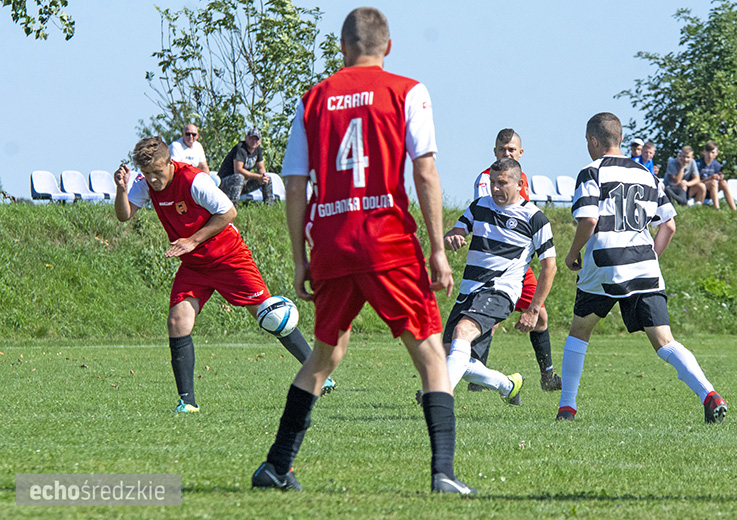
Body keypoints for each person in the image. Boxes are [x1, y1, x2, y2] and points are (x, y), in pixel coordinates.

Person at [251, 7, 474, 495]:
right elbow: (425, 172)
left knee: (325, 355)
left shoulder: (313, 100)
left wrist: (300, 257)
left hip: (332, 241)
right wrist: (438, 248)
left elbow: (292, 184)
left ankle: (275, 465)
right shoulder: (408, 91)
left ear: (342, 47)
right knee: (432, 356)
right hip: (387, 241)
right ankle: (443, 473)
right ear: (387, 46)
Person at [113, 137, 334, 413]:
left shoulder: (194, 181)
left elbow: (229, 211)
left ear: (170, 162)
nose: (153, 180)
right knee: (177, 321)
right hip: (195, 266)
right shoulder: (145, 183)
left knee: (271, 317)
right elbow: (124, 215)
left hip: (229, 257)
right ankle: (187, 403)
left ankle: (320, 374)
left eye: (158, 173)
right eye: (147, 174)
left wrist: (192, 240)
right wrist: (122, 190)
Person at [556, 112, 727, 424]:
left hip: (605, 265)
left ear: (594, 141)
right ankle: (709, 394)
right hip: (645, 266)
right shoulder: (648, 174)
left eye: (587, 142)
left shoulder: (591, 171)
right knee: (664, 341)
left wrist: (572, 253)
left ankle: (567, 407)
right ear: (620, 139)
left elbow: (589, 218)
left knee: (580, 331)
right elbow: (669, 225)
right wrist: (652, 257)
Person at [443, 158, 556, 404]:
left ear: (519, 183)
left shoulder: (534, 218)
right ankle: (508, 385)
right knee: (448, 356)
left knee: (462, 332)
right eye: (492, 182)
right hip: (469, 291)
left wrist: (534, 308)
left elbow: (550, 266)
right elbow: (457, 231)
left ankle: (439, 399)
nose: (495, 188)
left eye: (502, 183)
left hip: (500, 291)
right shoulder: (479, 206)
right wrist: (453, 237)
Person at [472, 129, 561, 391]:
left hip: (519, 265)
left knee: (540, 316)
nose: (507, 153)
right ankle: (475, 378)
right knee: (485, 319)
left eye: (512, 149)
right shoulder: (486, 179)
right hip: (494, 265)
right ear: (494, 152)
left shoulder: (521, 180)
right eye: (502, 149)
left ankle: (547, 377)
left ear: (521, 153)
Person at [217, 128, 274, 206]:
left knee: (267, 178)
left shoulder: (258, 150)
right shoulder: (240, 148)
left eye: (256, 139)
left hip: (242, 184)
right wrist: (258, 176)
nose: (254, 141)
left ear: (260, 141)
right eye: (251, 138)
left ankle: (269, 206)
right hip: (225, 183)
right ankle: (232, 207)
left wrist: (263, 176)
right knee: (239, 177)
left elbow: (261, 167)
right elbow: (238, 170)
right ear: (246, 138)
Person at [697, 141, 737, 211]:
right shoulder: (697, 164)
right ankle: (717, 208)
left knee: (723, 182)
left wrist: (720, 177)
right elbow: (695, 181)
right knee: (713, 183)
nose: (710, 155)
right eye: (708, 152)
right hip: (700, 190)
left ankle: (734, 209)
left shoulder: (717, 165)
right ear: (704, 152)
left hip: (712, 190)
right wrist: (710, 178)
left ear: (716, 153)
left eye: (712, 152)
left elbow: (717, 177)